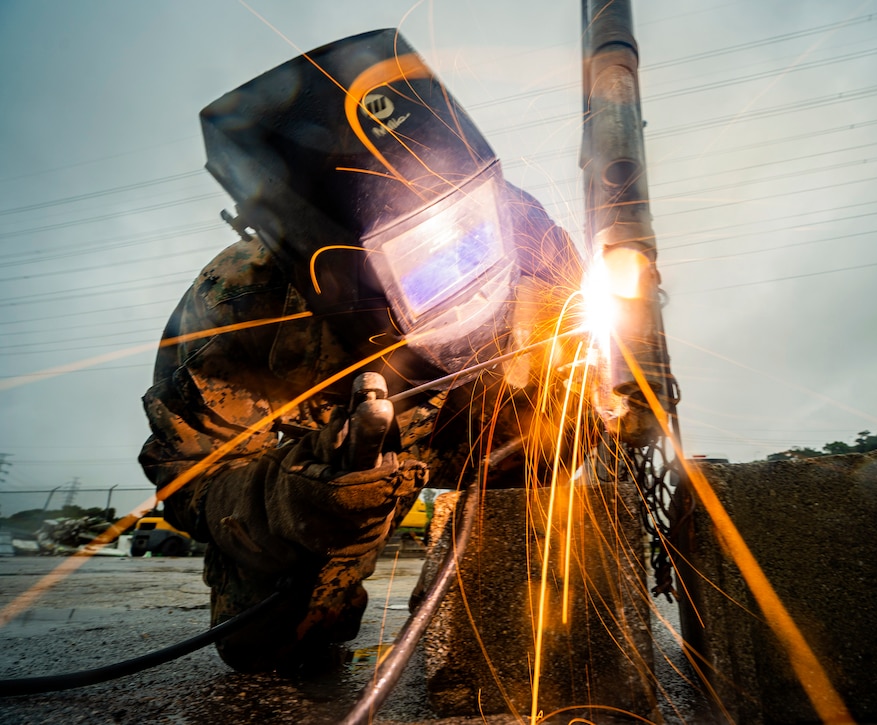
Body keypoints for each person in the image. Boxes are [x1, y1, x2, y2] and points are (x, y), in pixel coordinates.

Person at [138, 30, 582, 673]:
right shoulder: (236, 304)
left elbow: (583, 327)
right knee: (271, 642)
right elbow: (189, 483)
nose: (462, 288)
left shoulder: (526, 229)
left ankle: (492, 630)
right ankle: (323, 549)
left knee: (560, 449)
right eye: (419, 266)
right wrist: (312, 490)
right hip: (335, 461)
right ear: (331, 270)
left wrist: (605, 383)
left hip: (468, 425)